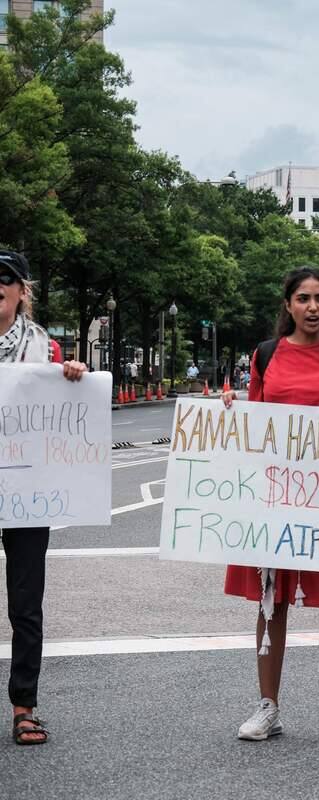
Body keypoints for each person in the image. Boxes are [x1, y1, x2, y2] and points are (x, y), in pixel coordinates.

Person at [221, 267, 319, 746]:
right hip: (275, 495)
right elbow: (251, 420)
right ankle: (268, 706)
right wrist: (228, 409)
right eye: (304, 298)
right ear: (287, 305)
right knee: (272, 602)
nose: (313, 307)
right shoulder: (265, 356)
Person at [0, 250, 89, 745]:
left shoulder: (47, 352)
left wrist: (71, 379)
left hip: (26, 493)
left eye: (5, 279)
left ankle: (24, 706)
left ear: (21, 291)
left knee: (25, 603)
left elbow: (65, 413)